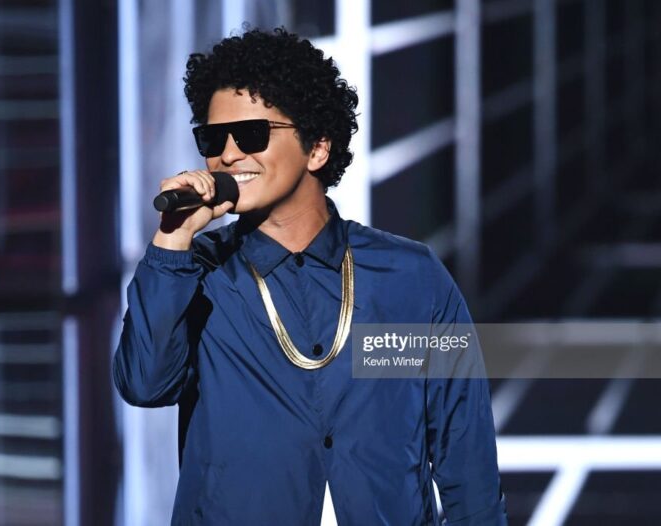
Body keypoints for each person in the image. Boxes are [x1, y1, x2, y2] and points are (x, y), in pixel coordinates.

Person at [113, 27, 508, 525]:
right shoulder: (196, 275)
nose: (229, 155)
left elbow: (465, 458)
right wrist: (172, 241)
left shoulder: (409, 278)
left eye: (252, 134)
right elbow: (145, 385)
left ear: (317, 147)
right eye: (213, 139)